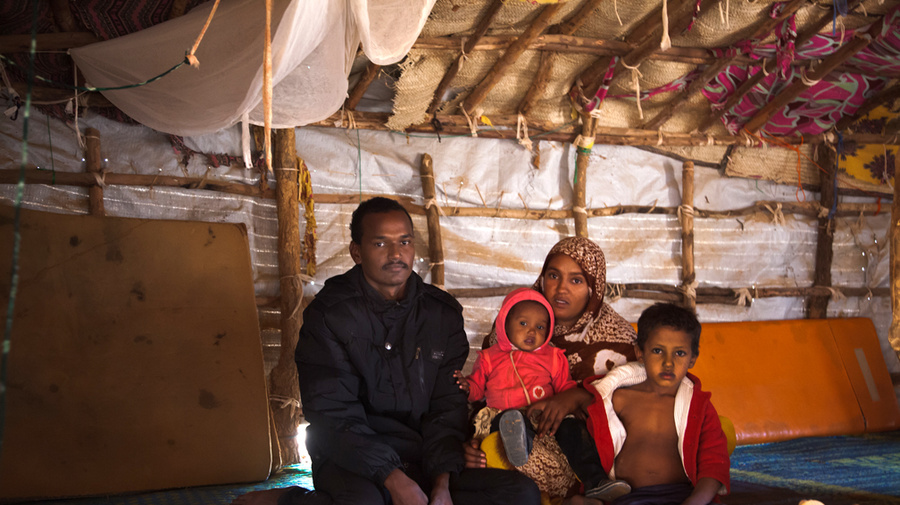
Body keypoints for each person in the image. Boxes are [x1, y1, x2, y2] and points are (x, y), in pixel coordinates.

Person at [233, 197, 539, 505]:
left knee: (520, 494)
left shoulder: (441, 314)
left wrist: (442, 483)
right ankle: (290, 501)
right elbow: (333, 415)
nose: (396, 254)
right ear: (357, 252)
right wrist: (393, 479)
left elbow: (446, 408)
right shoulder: (331, 315)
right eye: (381, 244)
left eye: (404, 241)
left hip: (424, 456)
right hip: (351, 456)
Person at [465, 237, 638, 500]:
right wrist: (470, 443)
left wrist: (576, 397)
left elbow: (639, 402)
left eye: (576, 280)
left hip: (587, 450)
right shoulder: (513, 325)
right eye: (553, 275)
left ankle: (586, 489)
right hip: (523, 444)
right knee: (494, 448)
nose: (560, 289)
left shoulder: (619, 337)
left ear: (594, 288)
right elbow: (482, 391)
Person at [583, 303, 730, 505]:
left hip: (681, 496)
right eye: (658, 351)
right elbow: (590, 446)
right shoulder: (619, 399)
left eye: (679, 353)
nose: (668, 362)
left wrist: (695, 501)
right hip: (628, 498)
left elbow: (714, 461)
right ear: (641, 353)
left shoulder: (698, 408)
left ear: (693, 359)